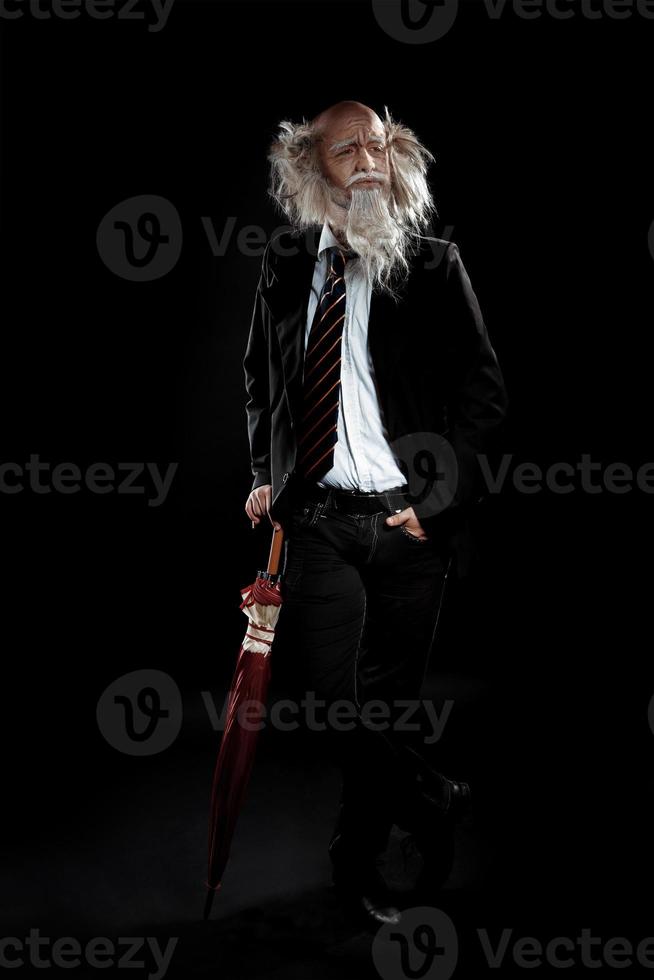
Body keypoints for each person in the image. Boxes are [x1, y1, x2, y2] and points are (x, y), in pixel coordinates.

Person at [243, 101, 508, 925]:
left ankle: (353, 873)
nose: (367, 161)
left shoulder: (433, 264)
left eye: (381, 146)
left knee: (386, 708)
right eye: (347, 148)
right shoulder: (287, 262)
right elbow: (261, 375)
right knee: (331, 700)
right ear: (309, 168)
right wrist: (265, 470)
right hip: (319, 516)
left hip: (408, 522)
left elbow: (484, 394)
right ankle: (429, 794)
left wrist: (442, 501)